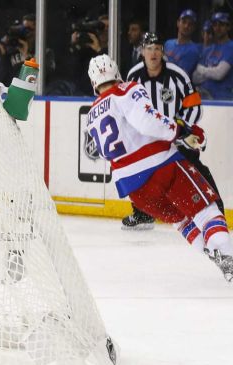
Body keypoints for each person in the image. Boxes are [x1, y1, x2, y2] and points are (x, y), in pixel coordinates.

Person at [86, 54, 233, 281]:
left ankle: (218, 258)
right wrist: (181, 131)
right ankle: (229, 257)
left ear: (93, 82)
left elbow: (107, 151)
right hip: (162, 168)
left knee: (181, 220)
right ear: (116, 73)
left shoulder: (92, 114)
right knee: (205, 210)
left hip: (135, 190)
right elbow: (147, 121)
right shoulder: (126, 90)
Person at [122, 33, 222, 230]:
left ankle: (217, 210)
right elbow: (128, 109)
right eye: (149, 48)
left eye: (157, 48)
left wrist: (180, 129)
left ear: (163, 52)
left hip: (177, 139)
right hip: (149, 142)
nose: (153, 53)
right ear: (142, 52)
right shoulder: (133, 76)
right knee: (138, 175)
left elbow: (195, 107)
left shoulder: (177, 75)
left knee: (197, 172)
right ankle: (142, 213)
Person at [193, 12, 233, 100]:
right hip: (203, 95)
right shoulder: (208, 49)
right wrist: (210, 73)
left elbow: (219, 74)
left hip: (223, 99)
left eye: (221, 24)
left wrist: (202, 70)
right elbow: (195, 77)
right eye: (215, 24)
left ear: (228, 27)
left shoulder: (230, 47)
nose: (217, 28)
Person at [164, 9, 202, 77]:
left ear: (194, 28)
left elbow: (181, 74)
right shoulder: (168, 43)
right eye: (184, 22)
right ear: (178, 23)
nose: (186, 26)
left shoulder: (194, 50)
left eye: (190, 24)